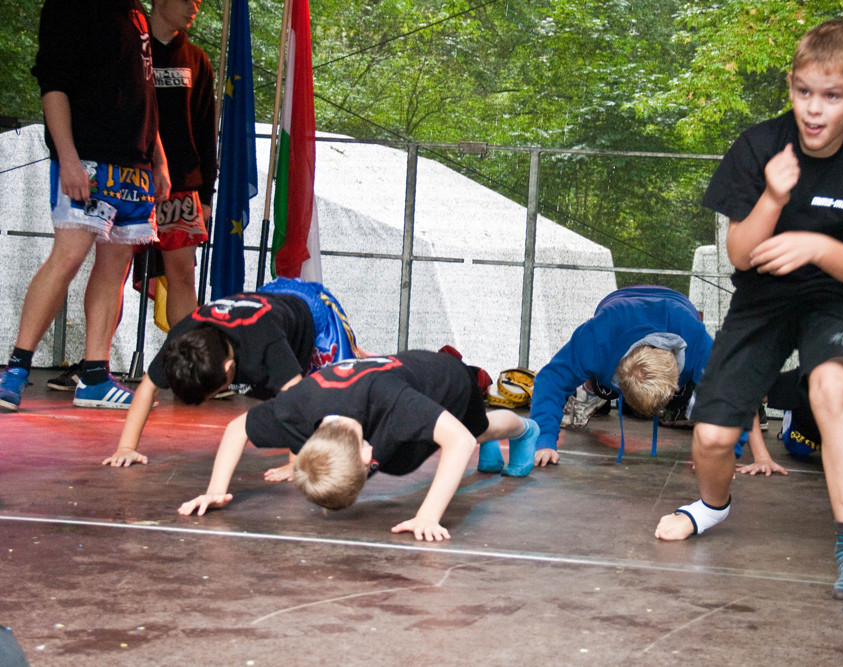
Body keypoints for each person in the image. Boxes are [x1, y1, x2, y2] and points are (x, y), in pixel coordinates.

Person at [653, 20, 843, 604]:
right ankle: (711, 507)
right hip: (762, 300)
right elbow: (740, 253)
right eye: (804, 91)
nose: (814, 109)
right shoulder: (759, 147)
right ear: (791, 86)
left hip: (837, 298)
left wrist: (818, 247)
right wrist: (775, 196)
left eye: (832, 96)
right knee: (712, 436)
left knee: (832, 390)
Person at [0, 0, 170, 413]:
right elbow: (53, 84)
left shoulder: (135, 10)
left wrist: (159, 159)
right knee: (69, 255)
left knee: (115, 268)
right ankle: (16, 369)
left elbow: (144, 92)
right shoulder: (73, 4)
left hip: (134, 164)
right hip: (89, 156)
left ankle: (94, 375)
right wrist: (68, 157)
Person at [177, 350, 541, 541]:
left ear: (368, 455)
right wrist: (216, 490)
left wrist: (428, 516)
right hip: (391, 385)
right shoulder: (295, 410)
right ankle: (490, 447)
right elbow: (238, 428)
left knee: (477, 432)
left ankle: (524, 430)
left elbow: (458, 441)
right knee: (410, 454)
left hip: (445, 380)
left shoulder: (394, 405)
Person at [103, 278, 367, 476]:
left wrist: (294, 460)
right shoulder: (183, 339)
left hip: (313, 309)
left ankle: (366, 356)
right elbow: (148, 387)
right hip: (271, 297)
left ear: (230, 367)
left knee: (334, 394)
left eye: (216, 392)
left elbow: (295, 396)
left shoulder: (265, 342)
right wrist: (126, 447)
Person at [529, 285, 716, 467]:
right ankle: (590, 391)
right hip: (618, 306)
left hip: (677, 305)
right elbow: (551, 380)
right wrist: (543, 440)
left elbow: (725, 394)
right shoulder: (599, 336)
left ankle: (678, 400)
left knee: (686, 396)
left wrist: (713, 450)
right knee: (602, 383)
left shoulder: (697, 340)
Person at [145, 0, 217, 326]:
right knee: (111, 270)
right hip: (130, 177)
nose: (193, 8)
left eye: (198, 3)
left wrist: (206, 195)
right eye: (187, 0)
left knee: (183, 276)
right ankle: (96, 355)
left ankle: (185, 356)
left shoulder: (197, 59)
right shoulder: (129, 49)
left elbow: (205, 131)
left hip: (182, 185)